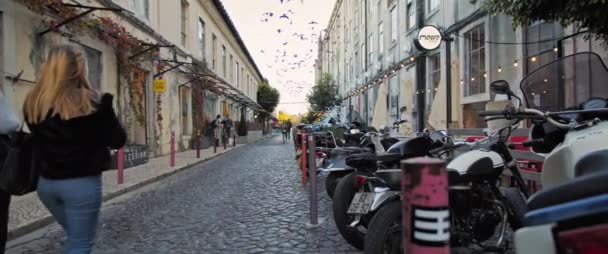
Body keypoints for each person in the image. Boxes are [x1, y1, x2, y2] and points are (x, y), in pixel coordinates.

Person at [23, 45, 126, 254]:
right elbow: (118, 141)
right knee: (80, 243)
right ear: (80, 68)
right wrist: (106, 112)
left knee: (77, 237)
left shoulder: (34, 102)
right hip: (81, 185)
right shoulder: (94, 101)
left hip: (46, 185)